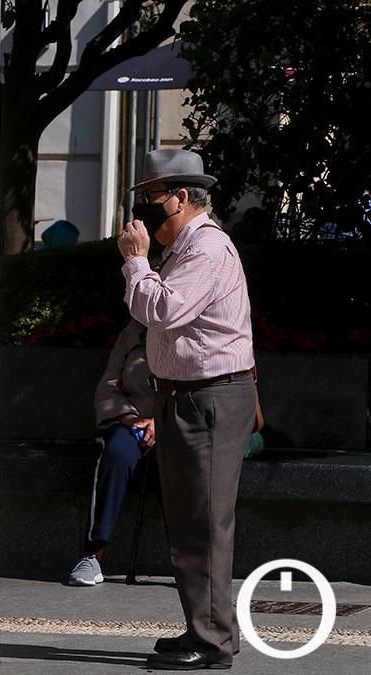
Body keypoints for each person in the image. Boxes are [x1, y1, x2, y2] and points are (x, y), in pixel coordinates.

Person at [118, 149, 254, 671]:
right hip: (184, 396)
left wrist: (135, 261)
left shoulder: (207, 248)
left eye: (152, 199)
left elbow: (163, 309)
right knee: (188, 521)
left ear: (180, 197)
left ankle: (214, 640)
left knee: (205, 524)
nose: (146, 211)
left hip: (210, 399)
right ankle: (204, 627)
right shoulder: (184, 246)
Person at [66, 319, 156, 587]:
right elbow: (108, 386)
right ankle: (93, 554)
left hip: (178, 424)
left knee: (185, 464)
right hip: (130, 421)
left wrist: (162, 422)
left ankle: (194, 560)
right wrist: (128, 417)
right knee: (116, 453)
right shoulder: (134, 331)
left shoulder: (193, 326)